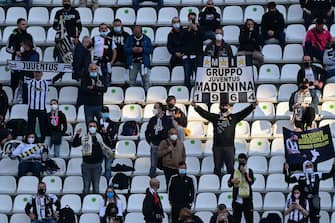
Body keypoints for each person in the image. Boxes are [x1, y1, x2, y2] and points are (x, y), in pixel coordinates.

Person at [192, 101, 256, 177]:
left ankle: (231, 185)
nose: (223, 107)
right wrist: (196, 107)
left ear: (229, 107)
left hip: (229, 147)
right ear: (219, 107)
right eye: (222, 106)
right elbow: (205, 114)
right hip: (217, 147)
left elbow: (243, 113)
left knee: (230, 169)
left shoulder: (234, 117)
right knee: (217, 168)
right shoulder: (215, 117)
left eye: (225, 105)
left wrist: (252, 106)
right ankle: (216, 184)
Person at [72, 121, 114, 194]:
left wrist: (105, 133)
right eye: (90, 126)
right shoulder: (84, 137)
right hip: (86, 165)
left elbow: (108, 144)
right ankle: (84, 203)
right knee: (86, 187)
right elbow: (74, 144)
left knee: (96, 187)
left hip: (97, 165)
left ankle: (95, 204)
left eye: (94, 126)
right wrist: (77, 134)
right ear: (88, 128)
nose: (92, 128)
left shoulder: (100, 137)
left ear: (96, 128)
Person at [26, 71, 56, 141]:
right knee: (30, 127)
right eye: (36, 72)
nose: (37, 74)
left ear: (42, 74)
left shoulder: (45, 82)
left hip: (41, 109)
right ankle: (31, 143)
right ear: (33, 73)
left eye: (39, 72)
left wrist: (63, 71)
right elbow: (21, 74)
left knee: (43, 127)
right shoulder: (29, 81)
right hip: (31, 109)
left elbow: (55, 79)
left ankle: (43, 142)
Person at [145, 102, 173, 178]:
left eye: (155, 107)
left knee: (166, 165)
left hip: (164, 146)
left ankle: (167, 181)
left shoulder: (168, 120)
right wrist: (149, 141)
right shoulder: (152, 120)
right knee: (153, 165)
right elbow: (147, 132)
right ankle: (152, 182)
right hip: (154, 145)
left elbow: (171, 132)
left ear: (160, 109)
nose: (154, 109)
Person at [124, 25, 153, 91]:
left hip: (143, 63)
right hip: (133, 62)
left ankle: (146, 93)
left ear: (141, 32)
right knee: (131, 80)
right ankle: (131, 94)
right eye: (135, 32)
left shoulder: (146, 39)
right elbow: (125, 49)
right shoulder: (129, 39)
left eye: (138, 32)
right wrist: (132, 49)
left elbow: (150, 50)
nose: (136, 33)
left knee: (146, 80)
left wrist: (143, 49)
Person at [228, 153, 254, 223]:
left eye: (243, 161)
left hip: (247, 201)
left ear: (246, 161)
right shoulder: (234, 171)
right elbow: (229, 184)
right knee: (236, 220)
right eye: (240, 161)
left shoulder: (249, 171)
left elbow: (251, 182)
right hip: (237, 201)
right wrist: (232, 181)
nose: (241, 163)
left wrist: (245, 173)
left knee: (249, 220)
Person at [181, 12, 203, 90]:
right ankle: (187, 92)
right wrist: (189, 30)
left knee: (198, 76)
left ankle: (198, 91)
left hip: (197, 56)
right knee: (187, 76)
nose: (192, 20)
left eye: (193, 18)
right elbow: (182, 40)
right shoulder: (184, 30)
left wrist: (196, 30)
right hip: (187, 56)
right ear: (188, 19)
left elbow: (201, 38)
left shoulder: (200, 29)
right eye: (190, 18)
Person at [98, 106, 118, 181]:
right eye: (103, 112)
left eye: (106, 112)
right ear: (100, 113)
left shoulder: (113, 124)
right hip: (99, 148)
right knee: (99, 167)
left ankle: (107, 183)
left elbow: (114, 136)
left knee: (108, 167)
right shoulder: (96, 124)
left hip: (110, 148)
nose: (105, 114)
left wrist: (107, 133)